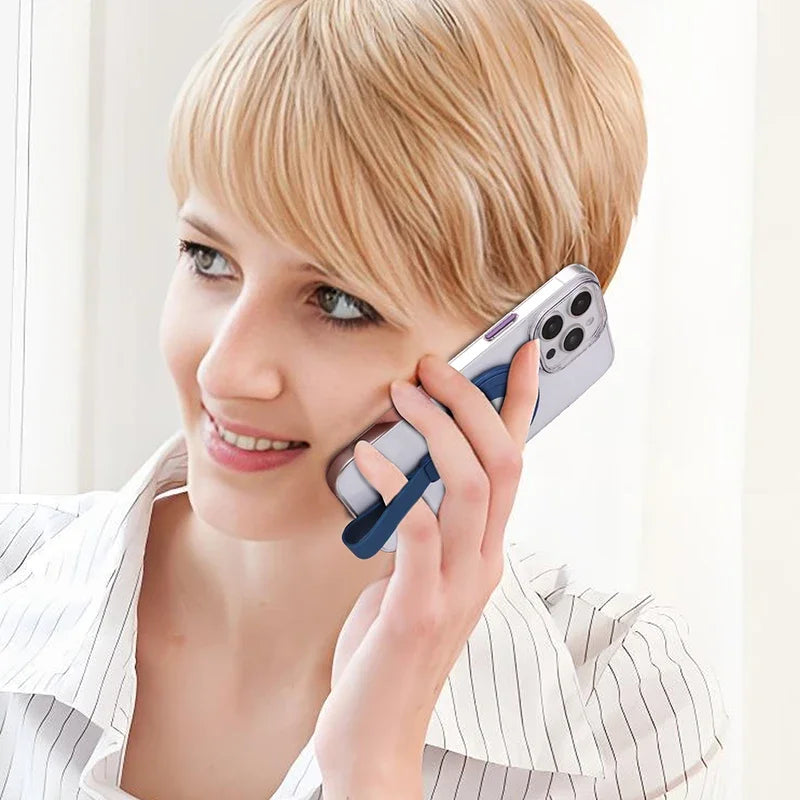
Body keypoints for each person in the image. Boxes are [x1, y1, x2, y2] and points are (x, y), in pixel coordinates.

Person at [0, 1, 730, 798]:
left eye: (339, 302)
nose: (225, 369)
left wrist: (373, 771)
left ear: (512, 357)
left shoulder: (618, 704)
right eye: (208, 258)